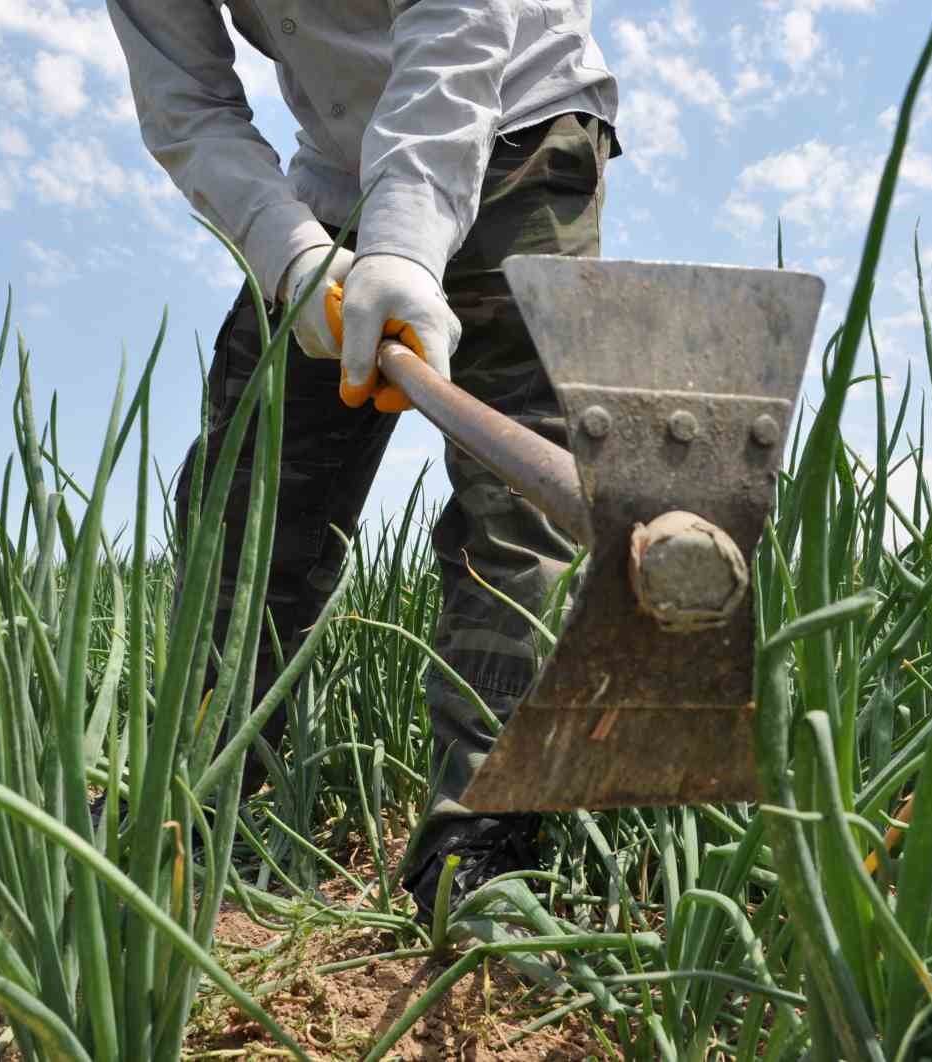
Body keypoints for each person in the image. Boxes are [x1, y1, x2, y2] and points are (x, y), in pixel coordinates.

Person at [106, 1, 619, 924]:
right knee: (248, 495)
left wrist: (407, 245)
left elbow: (459, 20)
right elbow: (186, 100)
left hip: (519, 123)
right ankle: (213, 795)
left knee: (517, 511)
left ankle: (486, 843)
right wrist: (291, 252)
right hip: (330, 183)